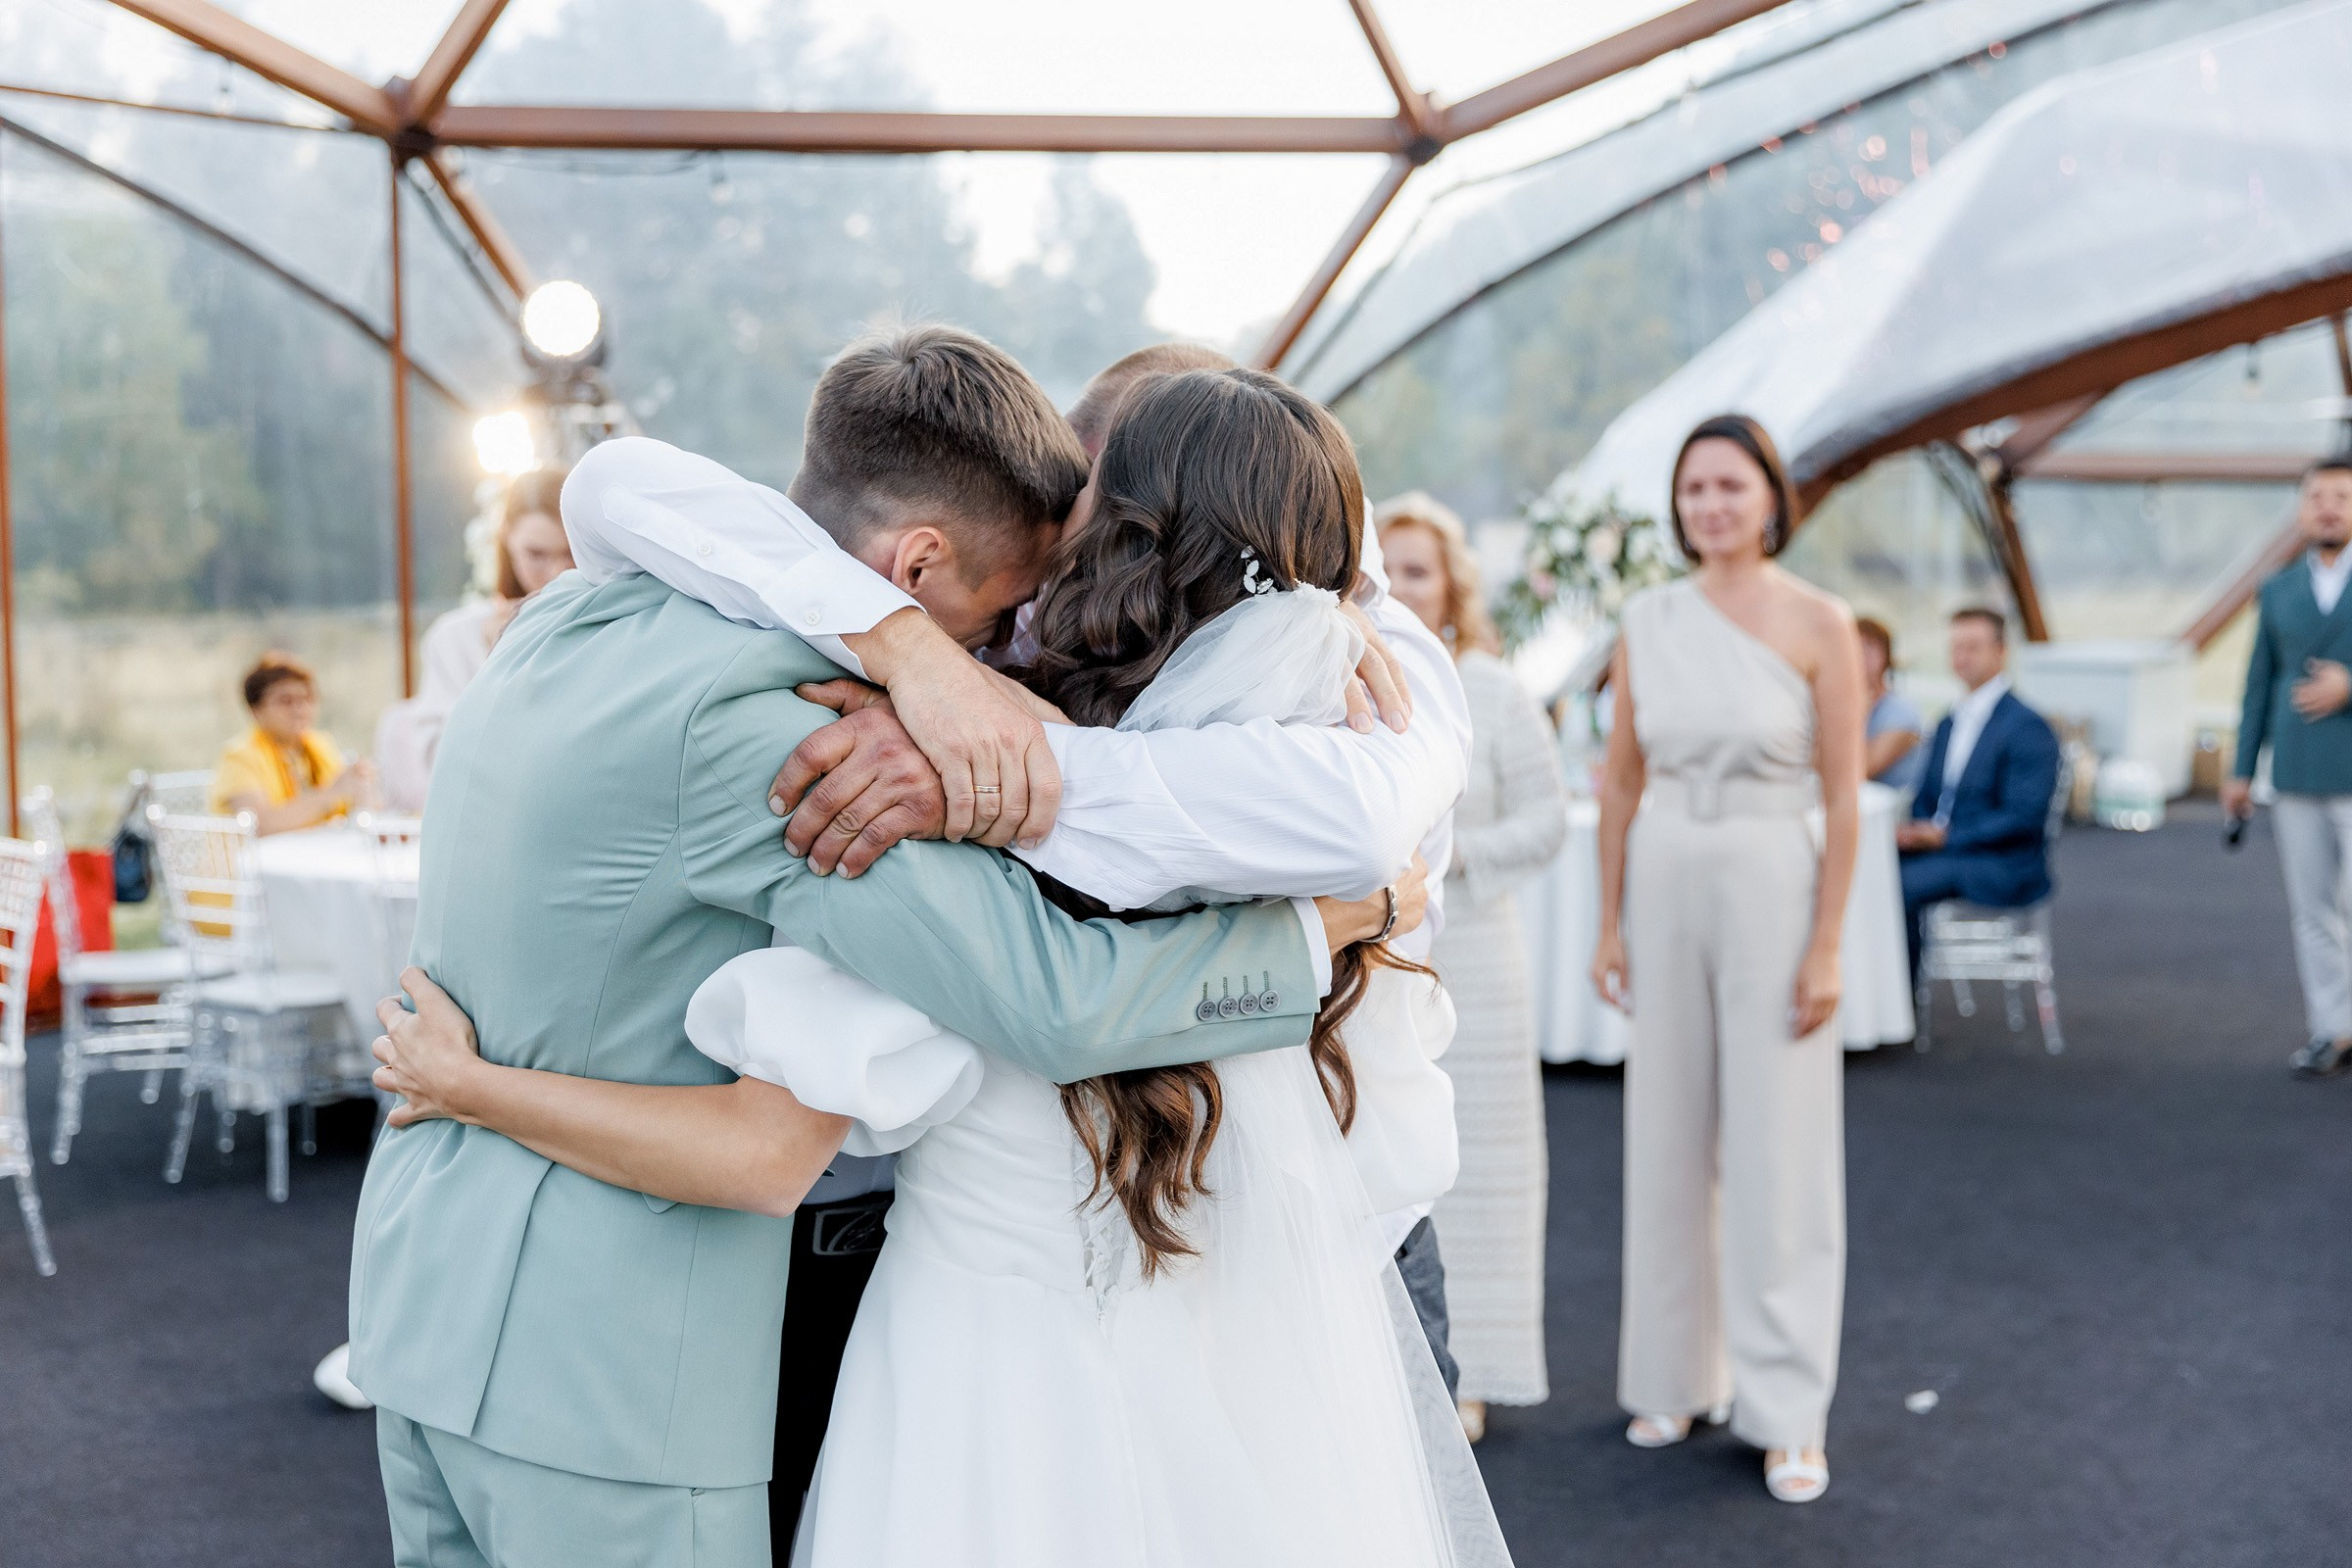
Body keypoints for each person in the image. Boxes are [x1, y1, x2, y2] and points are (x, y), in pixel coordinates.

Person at [368, 364, 1504, 1566]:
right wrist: (1321, 929)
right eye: (996, 606)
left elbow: (619, 487)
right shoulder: (828, 734)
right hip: (609, 1384)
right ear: (915, 567)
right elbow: (1057, 1002)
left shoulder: (564, 620)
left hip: (427, 1314)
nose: (996, 646)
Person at [1589, 414, 1864, 1505]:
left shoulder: (1820, 621)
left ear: (1771, 498)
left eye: (1730, 485)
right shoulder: (1645, 619)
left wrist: (1830, 941)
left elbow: (1844, 795)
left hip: (1771, 873)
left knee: (1779, 1149)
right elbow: (1618, 782)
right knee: (1663, 1132)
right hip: (1663, 872)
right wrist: (1607, 922)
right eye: (1694, 488)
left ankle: (1790, 1407)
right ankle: (1669, 1375)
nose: (1711, 504)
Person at [1378, 491, 1565, 1443]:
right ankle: (1400, 1358)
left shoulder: (1494, 689)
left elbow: (1550, 818)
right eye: (1391, 568)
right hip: (1379, 954)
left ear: (1453, 585)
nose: (1405, 586)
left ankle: (1478, 1370)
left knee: (1488, 1168)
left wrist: (1453, 858)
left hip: (1478, 956)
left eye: (1421, 569)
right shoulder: (1358, 684)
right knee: (1399, 1156)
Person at [2221, 454, 2352, 1077]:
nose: (2329, 506)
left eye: (2342, 496)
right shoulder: (2276, 590)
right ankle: (2333, 1027)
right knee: (2313, 908)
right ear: (2301, 510)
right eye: (2317, 496)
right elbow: (2257, 685)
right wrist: (2241, 769)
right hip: (2296, 771)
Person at [373, 469, 576, 812]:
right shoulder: (457, 637)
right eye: (537, 554)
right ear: (507, 538)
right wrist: (498, 657)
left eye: (571, 553)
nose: (557, 573)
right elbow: (440, 765)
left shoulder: (617, 629)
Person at [1894, 608, 2062, 978]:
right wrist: (1916, 831)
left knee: (1895, 888)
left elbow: (2023, 817)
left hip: (2003, 863)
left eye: (1973, 647)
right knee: (1862, 871)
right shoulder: (1947, 722)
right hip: (1947, 850)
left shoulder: (2028, 728)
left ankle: (1901, 1016)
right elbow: (1927, 796)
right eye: (1955, 647)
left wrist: (1944, 837)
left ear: (2001, 652)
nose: (1961, 657)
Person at [210, 652, 374, 833]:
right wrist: (332, 793)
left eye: (306, 699)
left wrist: (360, 787)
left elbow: (356, 809)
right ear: (256, 710)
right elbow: (259, 824)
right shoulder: (239, 756)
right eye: (285, 701)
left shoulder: (320, 745)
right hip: (255, 860)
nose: (299, 710)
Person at [1858, 616, 1926, 797]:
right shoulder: (1835, 707)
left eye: (1869, 647)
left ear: (1886, 657)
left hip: (1894, 814)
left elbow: (1862, 768)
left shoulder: (1902, 712)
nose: (1860, 656)